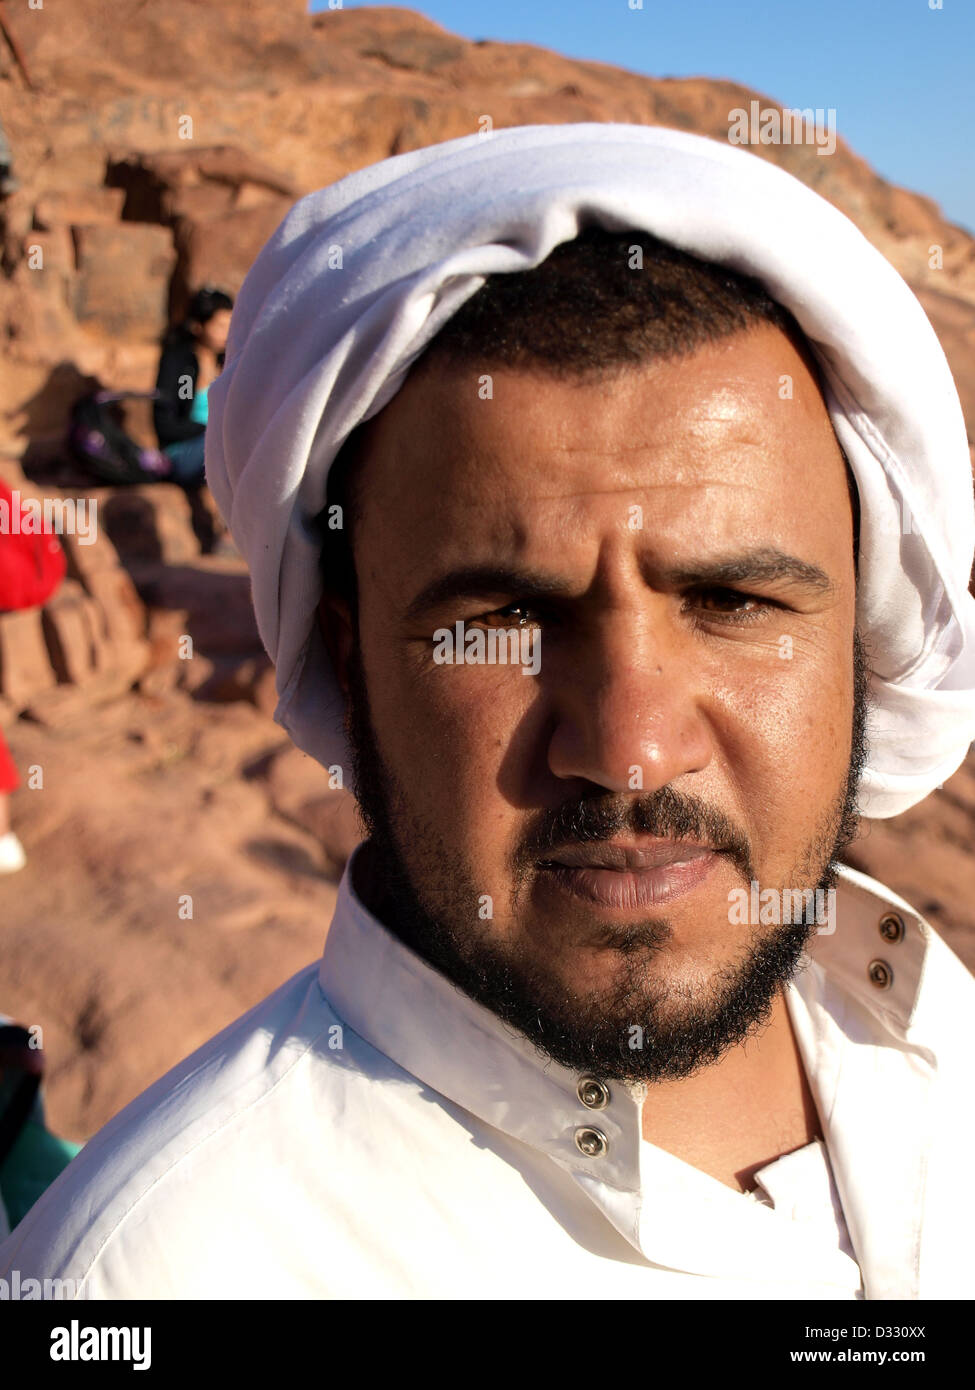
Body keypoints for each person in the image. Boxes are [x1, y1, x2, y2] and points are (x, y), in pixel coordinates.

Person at [2, 124, 974, 1300]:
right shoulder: (145, 1279)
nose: (629, 747)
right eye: (506, 621)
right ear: (350, 659)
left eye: (732, 599)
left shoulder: (944, 1049)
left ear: (861, 644)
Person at [152, 286, 233, 488]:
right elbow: (168, 422)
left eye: (231, 325)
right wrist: (209, 431)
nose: (227, 333)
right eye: (220, 326)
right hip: (185, 450)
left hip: (219, 446)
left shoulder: (229, 363)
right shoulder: (183, 366)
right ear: (198, 326)